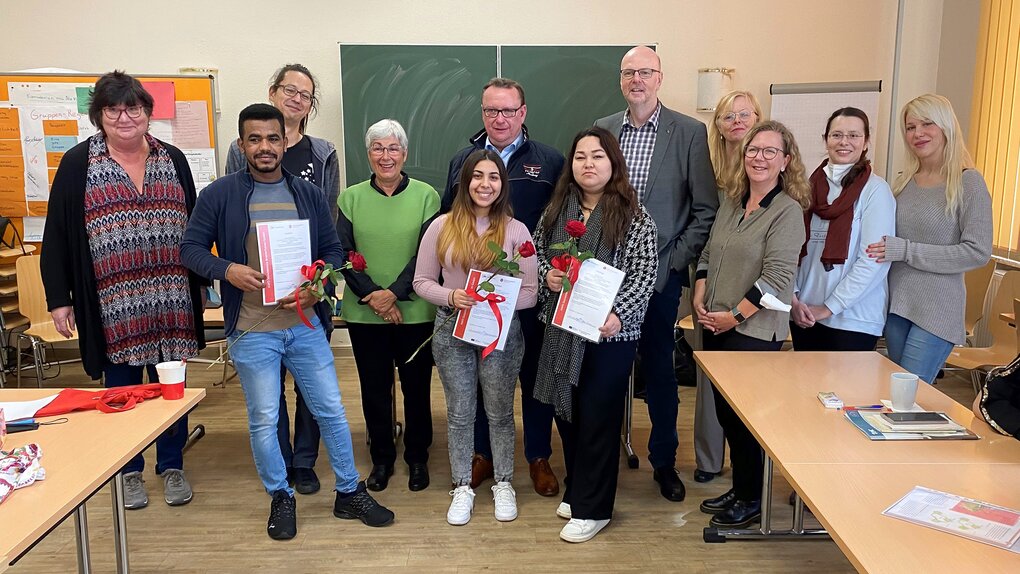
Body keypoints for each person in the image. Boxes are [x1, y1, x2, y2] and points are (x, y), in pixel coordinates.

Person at [181, 104, 392, 540]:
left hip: (305, 326)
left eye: (272, 139)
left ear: (285, 141)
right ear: (242, 145)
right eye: (254, 139)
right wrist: (227, 270)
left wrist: (320, 284)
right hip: (252, 330)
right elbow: (191, 250)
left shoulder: (308, 194)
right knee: (263, 417)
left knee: (331, 409)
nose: (264, 147)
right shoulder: (219, 194)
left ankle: (349, 492)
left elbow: (333, 251)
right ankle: (281, 495)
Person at [41, 70, 206, 511]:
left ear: (147, 113)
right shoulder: (79, 164)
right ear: (99, 116)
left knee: (172, 386)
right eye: (113, 109)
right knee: (122, 390)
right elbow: (56, 234)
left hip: (172, 298)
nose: (124, 117)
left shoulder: (173, 159)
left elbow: (195, 226)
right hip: (113, 305)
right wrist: (60, 298)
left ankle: (172, 464)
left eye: (133, 107)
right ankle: (129, 470)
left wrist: (205, 282)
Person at [595, 45, 718, 502]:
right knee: (604, 371)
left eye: (645, 72)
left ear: (660, 78)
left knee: (661, 374)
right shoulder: (603, 131)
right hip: (605, 278)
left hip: (662, 277)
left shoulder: (688, 132)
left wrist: (668, 263)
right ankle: (600, 458)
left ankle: (664, 462)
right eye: (629, 72)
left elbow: (704, 211)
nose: (637, 80)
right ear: (621, 80)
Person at [533, 127, 657, 543]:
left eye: (598, 156)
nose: (589, 164)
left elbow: (644, 276)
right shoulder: (556, 210)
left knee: (597, 418)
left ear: (613, 163)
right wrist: (549, 276)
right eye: (581, 156)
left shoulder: (634, 215)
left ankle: (595, 508)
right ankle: (579, 487)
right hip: (561, 329)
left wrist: (619, 315)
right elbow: (536, 250)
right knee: (566, 411)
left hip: (609, 337)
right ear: (572, 165)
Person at [443, 78, 565, 497]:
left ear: (523, 113)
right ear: (482, 113)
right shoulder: (464, 159)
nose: (500, 119)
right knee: (479, 377)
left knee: (534, 376)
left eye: (508, 111)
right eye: (491, 111)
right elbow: (450, 221)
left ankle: (537, 456)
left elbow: (562, 226)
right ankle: (481, 454)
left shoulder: (549, 161)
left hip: (529, 297)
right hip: (477, 301)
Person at [225, 64, 341, 494]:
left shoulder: (323, 152)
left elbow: (326, 222)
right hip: (256, 299)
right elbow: (233, 213)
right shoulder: (245, 148)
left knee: (313, 388)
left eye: (305, 94)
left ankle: (305, 460)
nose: (296, 98)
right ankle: (280, 461)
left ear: (311, 105)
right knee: (267, 394)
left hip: (305, 292)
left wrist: (318, 283)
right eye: (289, 89)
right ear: (273, 93)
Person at [694, 120, 808, 529]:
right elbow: (708, 250)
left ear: (786, 161)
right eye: (753, 151)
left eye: (769, 151)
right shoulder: (732, 201)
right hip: (715, 321)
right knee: (727, 415)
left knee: (746, 419)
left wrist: (736, 315)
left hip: (753, 332)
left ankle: (754, 499)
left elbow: (778, 276)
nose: (759, 158)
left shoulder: (788, 211)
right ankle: (743, 487)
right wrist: (699, 293)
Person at [415, 149, 538, 525]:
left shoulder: (517, 231)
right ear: (465, 182)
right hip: (452, 331)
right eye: (478, 176)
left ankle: (503, 482)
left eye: (494, 177)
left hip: (499, 334)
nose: (485, 184)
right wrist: (451, 296)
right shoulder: (441, 226)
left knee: (500, 413)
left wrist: (495, 298)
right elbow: (421, 282)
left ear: (503, 185)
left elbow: (532, 292)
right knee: (460, 414)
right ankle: (462, 485)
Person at [337, 119, 439, 492]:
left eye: (393, 148)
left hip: (415, 311)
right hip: (366, 313)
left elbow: (428, 254)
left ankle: (417, 458)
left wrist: (393, 293)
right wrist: (375, 296)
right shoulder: (350, 198)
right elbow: (343, 252)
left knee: (416, 388)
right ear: (368, 155)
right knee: (374, 389)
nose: (386, 156)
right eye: (378, 148)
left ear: (405, 153)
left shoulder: (427, 195)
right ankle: (381, 459)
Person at [866, 94, 993, 385]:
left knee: (906, 395)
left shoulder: (968, 182)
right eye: (910, 127)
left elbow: (977, 252)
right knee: (896, 395)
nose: (917, 133)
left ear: (946, 126)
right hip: (897, 305)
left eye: (927, 124)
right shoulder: (902, 182)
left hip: (936, 310)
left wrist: (907, 250)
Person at [694, 90, 765, 484]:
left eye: (744, 114)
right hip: (711, 280)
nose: (736, 122)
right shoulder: (710, 171)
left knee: (748, 388)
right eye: (727, 117)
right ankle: (708, 460)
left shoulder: (773, 174)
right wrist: (701, 283)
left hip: (756, 290)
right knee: (710, 376)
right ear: (718, 127)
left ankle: (748, 478)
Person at [792, 107, 895, 352]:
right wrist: (794, 299)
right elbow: (789, 250)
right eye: (836, 135)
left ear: (866, 141)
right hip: (803, 313)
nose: (844, 142)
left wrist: (829, 307)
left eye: (854, 135)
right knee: (803, 390)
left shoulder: (876, 191)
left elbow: (873, 261)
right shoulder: (805, 188)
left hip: (853, 319)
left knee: (846, 392)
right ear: (825, 139)